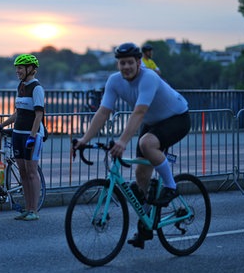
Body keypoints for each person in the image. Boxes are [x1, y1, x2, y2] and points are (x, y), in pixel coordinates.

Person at [73, 42, 190, 248]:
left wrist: (122, 141)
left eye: (129, 63)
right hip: (153, 122)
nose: (126, 67)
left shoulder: (149, 78)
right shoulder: (114, 81)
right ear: (118, 64)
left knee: (146, 143)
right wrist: (84, 139)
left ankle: (171, 187)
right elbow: (103, 112)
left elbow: (139, 112)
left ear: (138, 62)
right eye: (121, 63)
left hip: (177, 117)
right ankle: (145, 227)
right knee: (141, 176)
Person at [0, 54, 45, 221]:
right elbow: (18, 113)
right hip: (18, 134)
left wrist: (33, 135)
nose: (17, 71)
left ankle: (34, 211)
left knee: (31, 173)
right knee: (22, 172)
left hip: (31, 135)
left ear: (30, 69)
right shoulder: (21, 86)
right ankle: (27, 208)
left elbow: (38, 115)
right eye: (17, 68)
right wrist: (2, 125)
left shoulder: (36, 88)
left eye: (20, 68)